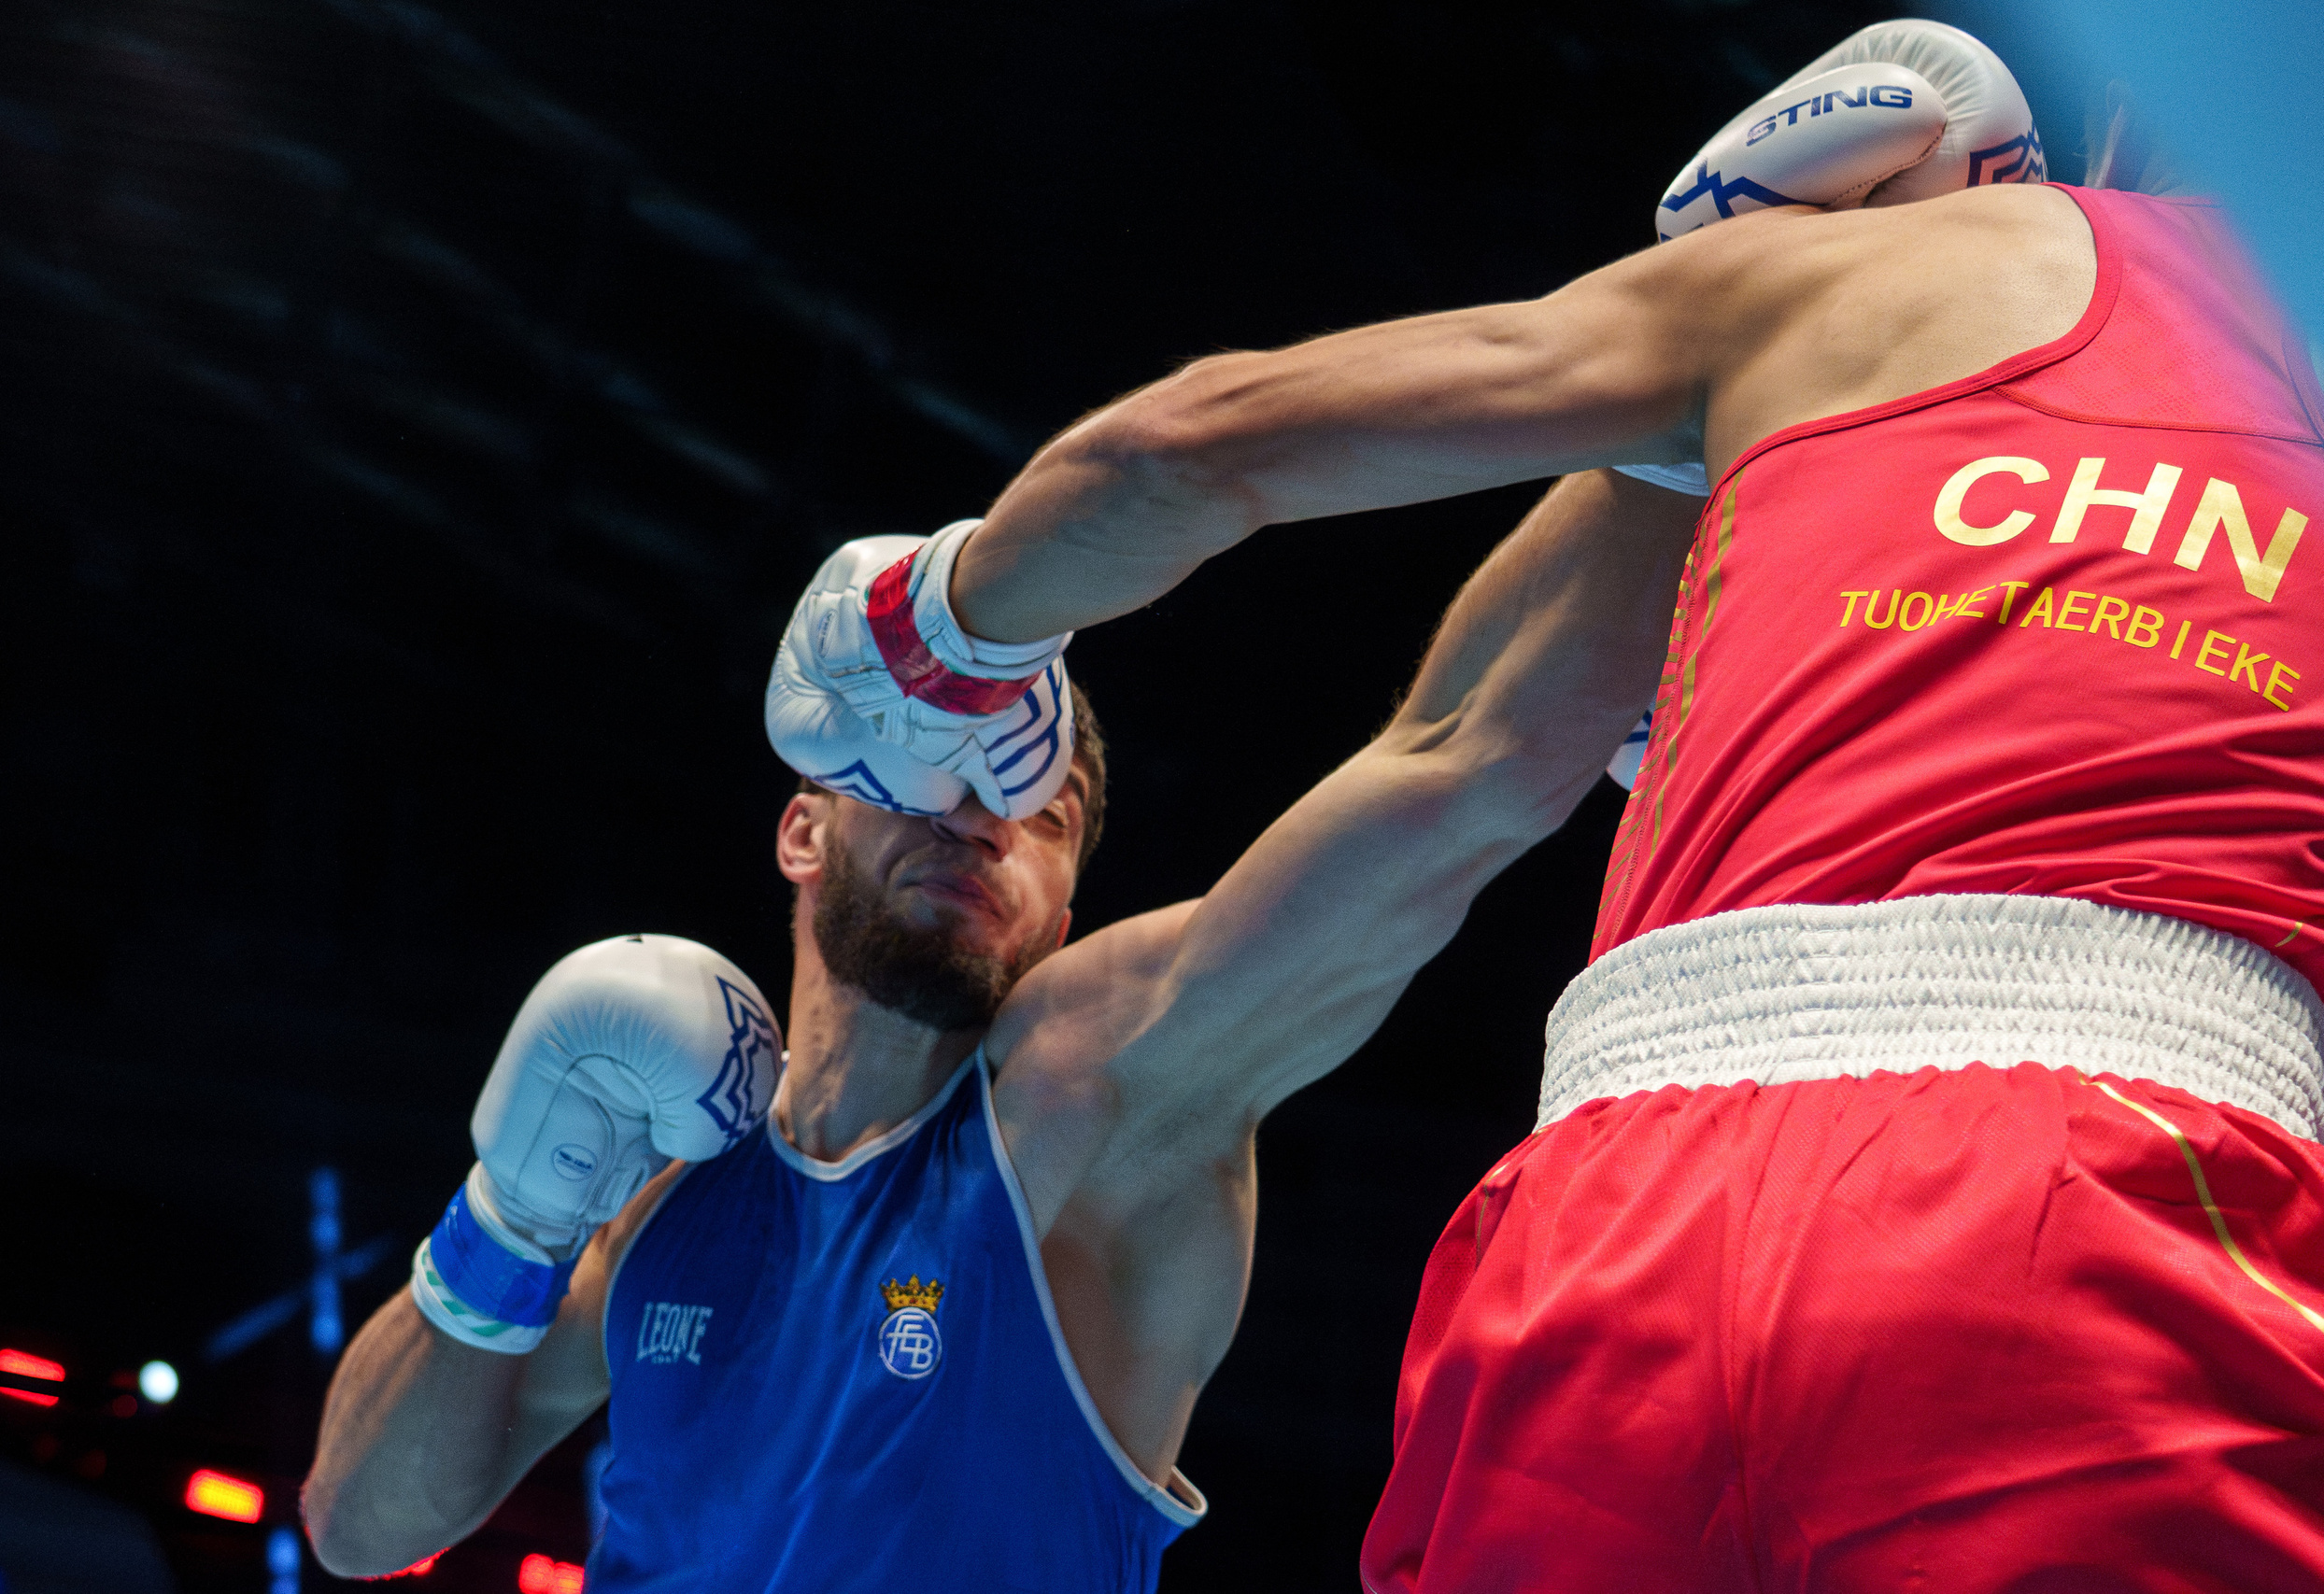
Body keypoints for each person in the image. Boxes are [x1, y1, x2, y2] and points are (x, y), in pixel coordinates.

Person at [917, 22, 2324, 1593]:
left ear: (2125, 115)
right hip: (2124, 1196)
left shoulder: (1839, 288)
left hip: (1625, 1207)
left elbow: (1185, 451)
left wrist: (931, 632)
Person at [297, 457, 1692, 1580]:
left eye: (1042, 807)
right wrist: (513, 1212)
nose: (983, 812)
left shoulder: (1091, 1097)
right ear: (801, 826)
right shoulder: (668, 1197)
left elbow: (1453, 773)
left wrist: (1684, 381)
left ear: (1069, 901)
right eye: (931, 761)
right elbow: (364, 1530)